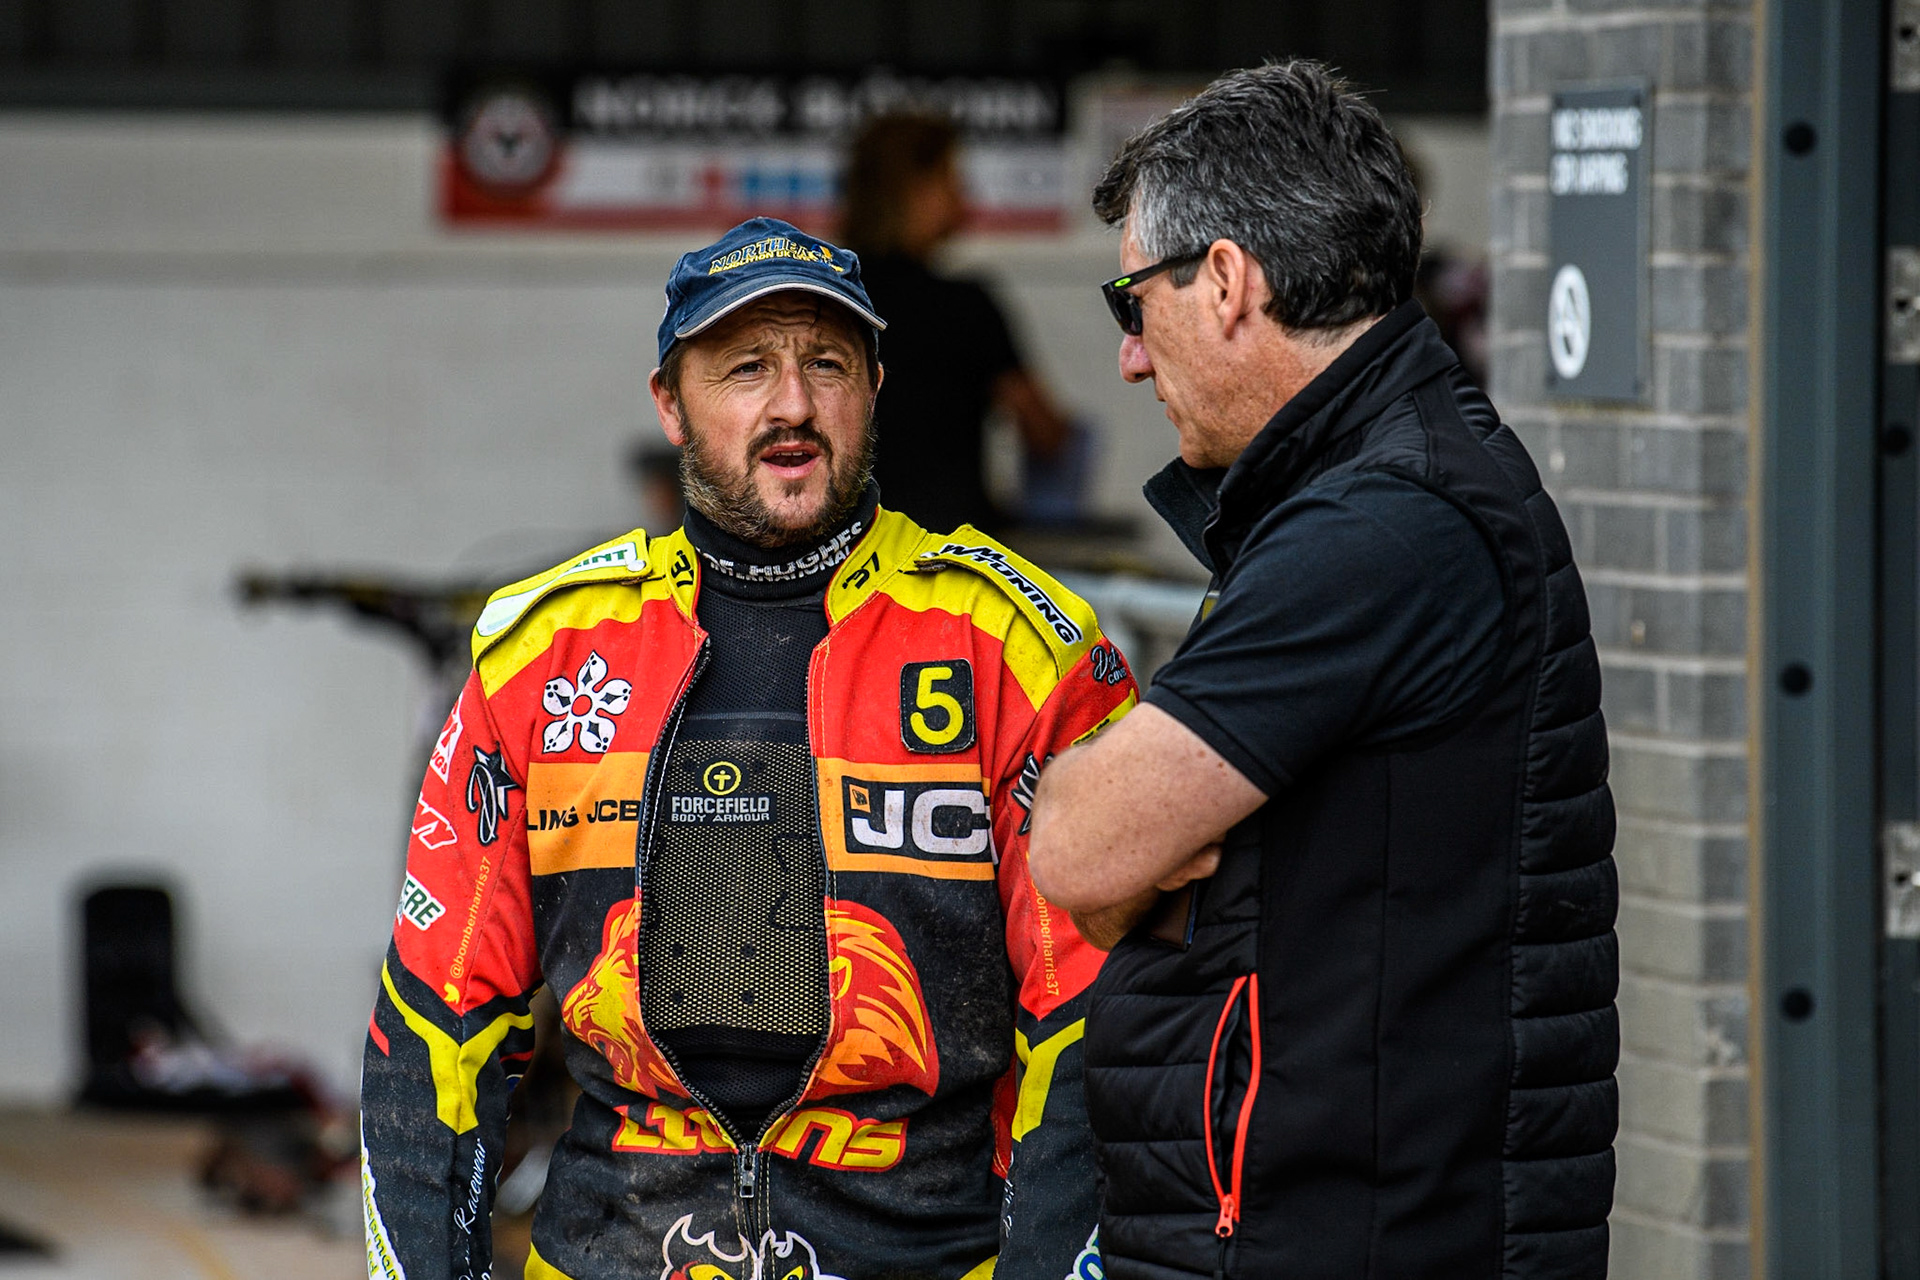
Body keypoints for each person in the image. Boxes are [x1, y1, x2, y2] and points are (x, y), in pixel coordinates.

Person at [360, 216, 1132, 1280]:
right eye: (746, 367)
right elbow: (436, 1022)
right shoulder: (543, 655)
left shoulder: (1017, 644)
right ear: (669, 404)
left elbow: (1096, 1024)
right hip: (613, 1249)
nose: (794, 405)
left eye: (828, 362)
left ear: (874, 384)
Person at [1025, 62, 1618, 1280]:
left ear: (1229, 281)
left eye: (1133, 302)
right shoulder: (1375, 489)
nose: (1132, 359)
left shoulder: (1382, 525)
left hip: (1345, 1233)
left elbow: (1080, 847)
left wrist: (1148, 845)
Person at [842, 114, 1072, 533]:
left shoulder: (827, 299)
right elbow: (1043, 431)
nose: (963, 196)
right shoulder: (965, 303)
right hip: (949, 547)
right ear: (917, 188)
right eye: (953, 178)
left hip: (848, 544)